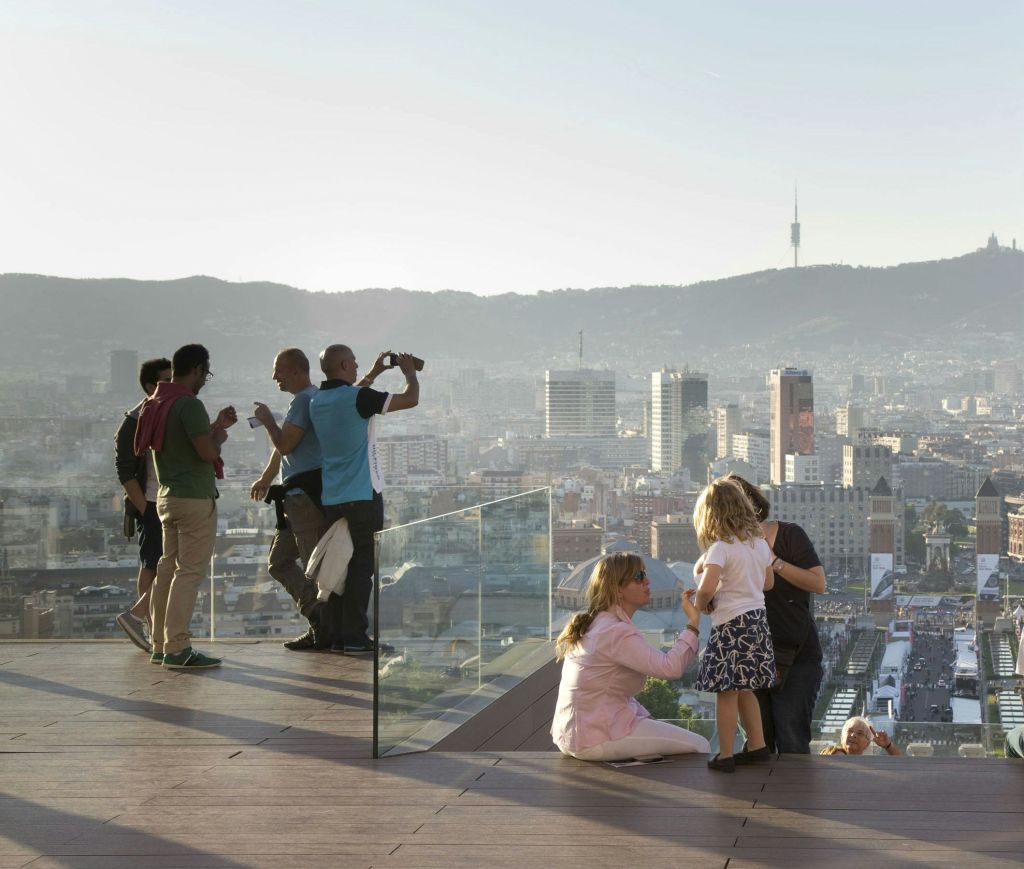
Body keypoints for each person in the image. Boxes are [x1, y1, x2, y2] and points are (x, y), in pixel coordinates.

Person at [308, 346, 420, 654]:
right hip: (362, 494)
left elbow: (351, 397)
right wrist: (409, 374)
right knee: (361, 568)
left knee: (337, 565)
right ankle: (356, 637)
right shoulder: (357, 398)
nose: (358, 367)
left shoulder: (318, 401)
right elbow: (410, 399)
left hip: (332, 496)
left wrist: (374, 372)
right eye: (354, 363)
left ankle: (336, 636)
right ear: (344, 364)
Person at [550, 551, 710, 761]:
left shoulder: (599, 623)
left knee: (661, 739)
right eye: (639, 577)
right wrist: (693, 624)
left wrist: (645, 718)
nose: (647, 580)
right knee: (701, 745)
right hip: (595, 738)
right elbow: (670, 667)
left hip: (574, 735)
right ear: (617, 590)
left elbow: (607, 691)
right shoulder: (616, 631)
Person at [136, 344, 236, 669]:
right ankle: (178, 646)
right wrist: (218, 436)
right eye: (205, 373)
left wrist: (215, 427)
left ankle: (160, 644)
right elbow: (206, 453)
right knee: (189, 572)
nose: (205, 380)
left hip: (166, 496)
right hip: (193, 497)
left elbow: (181, 444)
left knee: (167, 568)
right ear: (195, 369)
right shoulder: (189, 404)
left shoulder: (157, 401)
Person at [726, 475, 826, 755]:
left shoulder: (789, 535)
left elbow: (818, 583)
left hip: (795, 657)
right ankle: (760, 800)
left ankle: (794, 799)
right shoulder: (727, 548)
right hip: (750, 656)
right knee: (759, 743)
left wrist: (773, 561)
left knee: (791, 739)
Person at [692, 478, 776, 772]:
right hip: (758, 622)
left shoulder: (720, 548)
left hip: (731, 625)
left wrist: (699, 606)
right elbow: (768, 583)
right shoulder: (759, 545)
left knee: (726, 692)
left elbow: (706, 588)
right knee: (746, 689)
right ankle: (758, 745)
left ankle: (725, 755)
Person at [250, 348, 329, 650]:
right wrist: (267, 478)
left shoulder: (304, 401)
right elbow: (286, 446)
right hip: (297, 498)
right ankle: (318, 619)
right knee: (279, 561)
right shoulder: (313, 399)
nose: (274, 378)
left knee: (313, 568)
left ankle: (327, 627)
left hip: (304, 500)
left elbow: (283, 444)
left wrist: (269, 420)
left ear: (297, 370)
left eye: (279, 371)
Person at [113, 357, 172, 652]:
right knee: (155, 563)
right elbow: (125, 469)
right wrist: (145, 506)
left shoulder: (164, 413)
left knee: (159, 563)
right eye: (166, 380)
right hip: (151, 502)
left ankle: (150, 623)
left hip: (164, 500)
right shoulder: (134, 420)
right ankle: (145, 621)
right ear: (150, 385)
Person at [820, 716, 901, 756]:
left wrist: (888, 746)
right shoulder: (831, 754)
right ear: (842, 737)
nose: (853, 735)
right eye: (850, 731)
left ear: (867, 744)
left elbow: (903, 766)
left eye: (860, 733)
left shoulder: (873, 766)